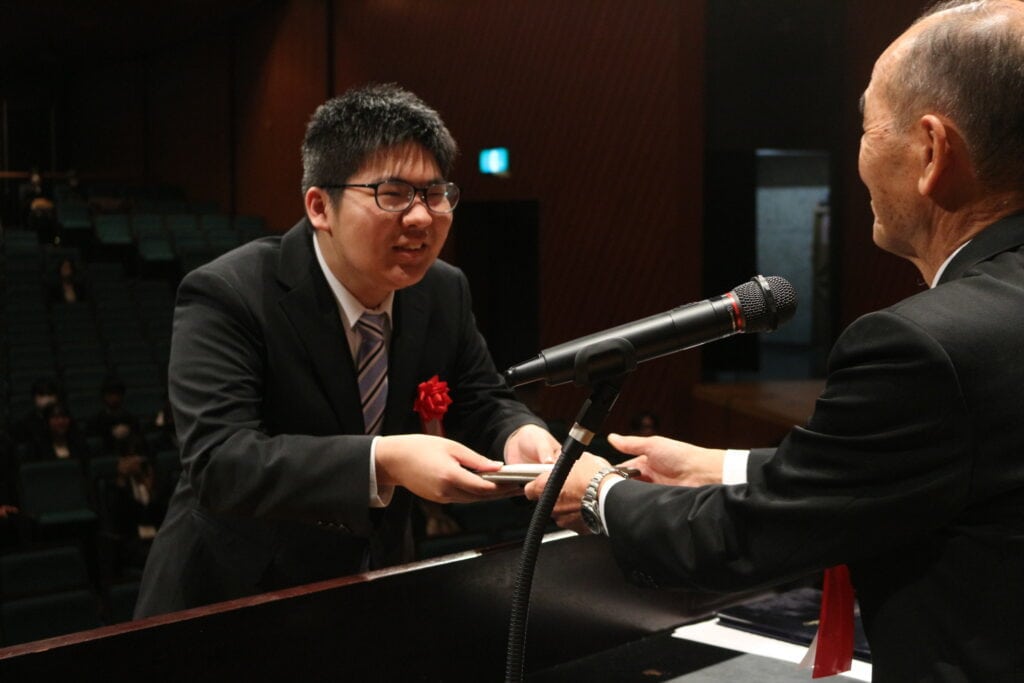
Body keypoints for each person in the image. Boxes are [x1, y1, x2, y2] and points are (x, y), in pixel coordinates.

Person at [526, 1, 1024, 681]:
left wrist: (597, 492)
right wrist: (720, 467)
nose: (860, 153)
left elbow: (749, 539)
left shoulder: (923, 347)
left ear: (932, 151)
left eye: (867, 126)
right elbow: (925, 466)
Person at [135, 83, 558, 617]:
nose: (422, 217)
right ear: (320, 206)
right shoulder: (228, 293)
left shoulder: (443, 289)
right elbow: (221, 461)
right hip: (234, 593)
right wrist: (385, 459)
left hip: (376, 579)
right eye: (392, 194)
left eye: (434, 193)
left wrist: (520, 434)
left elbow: (481, 399)